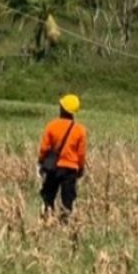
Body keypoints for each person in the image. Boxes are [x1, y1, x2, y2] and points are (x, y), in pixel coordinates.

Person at [37, 94, 87, 222]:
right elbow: (81, 154)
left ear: (62, 109)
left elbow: (44, 148)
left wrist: (41, 162)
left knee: (48, 196)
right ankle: (65, 224)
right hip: (71, 170)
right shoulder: (79, 130)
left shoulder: (52, 126)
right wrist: (80, 168)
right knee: (67, 200)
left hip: (53, 167)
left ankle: (47, 219)